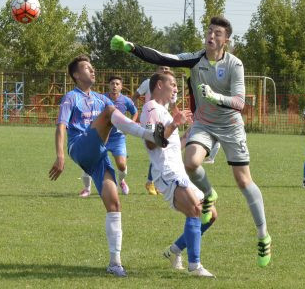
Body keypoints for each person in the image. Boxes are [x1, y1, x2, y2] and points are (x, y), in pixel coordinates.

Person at [110, 16, 272, 267]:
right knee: (192, 162)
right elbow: (163, 58)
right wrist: (131, 47)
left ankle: (263, 235)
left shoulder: (235, 64)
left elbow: (240, 103)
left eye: (217, 33)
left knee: (243, 180)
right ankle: (209, 193)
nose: (211, 36)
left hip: (230, 126)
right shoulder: (196, 59)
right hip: (204, 124)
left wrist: (216, 97)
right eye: (209, 31)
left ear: (226, 40)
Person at [49, 54, 168, 277]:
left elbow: (122, 120)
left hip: (98, 156)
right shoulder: (70, 98)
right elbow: (61, 127)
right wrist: (60, 156)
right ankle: (149, 135)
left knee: (114, 205)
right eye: (86, 68)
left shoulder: (100, 98)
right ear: (76, 75)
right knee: (111, 111)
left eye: (92, 67)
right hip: (79, 147)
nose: (92, 70)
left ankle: (115, 263)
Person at [140, 70, 217, 277]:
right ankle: (195, 266)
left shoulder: (163, 111)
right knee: (194, 210)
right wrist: (175, 123)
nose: (176, 88)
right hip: (166, 172)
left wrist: (189, 134)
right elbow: (151, 141)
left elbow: (172, 145)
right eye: (172, 84)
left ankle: (174, 251)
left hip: (179, 171)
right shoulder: (151, 108)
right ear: (158, 85)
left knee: (210, 216)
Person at [79, 75, 138, 197]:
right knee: (89, 161)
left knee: (122, 165)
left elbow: (135, 112)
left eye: (117, 84)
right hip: (100, 136)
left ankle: (122, 181)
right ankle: (87, 188)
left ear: (121, 86)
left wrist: (130, 124)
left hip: (118, 138)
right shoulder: (101, 98)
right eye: (112, 83)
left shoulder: (126, 100)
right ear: (108, 86)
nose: (114, 86)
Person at [132, 65, 170, 195]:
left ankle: (155, 182)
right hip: (150, 119)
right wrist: (135, 111)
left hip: (162, 119)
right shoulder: (148, 83)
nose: (164, 71)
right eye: (162, 68)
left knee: (161, 151)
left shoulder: (169, 84)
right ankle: (151, 182)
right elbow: (135, 96)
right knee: (155, 149)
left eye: (167, 69)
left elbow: (173, 104)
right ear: (156, 70)